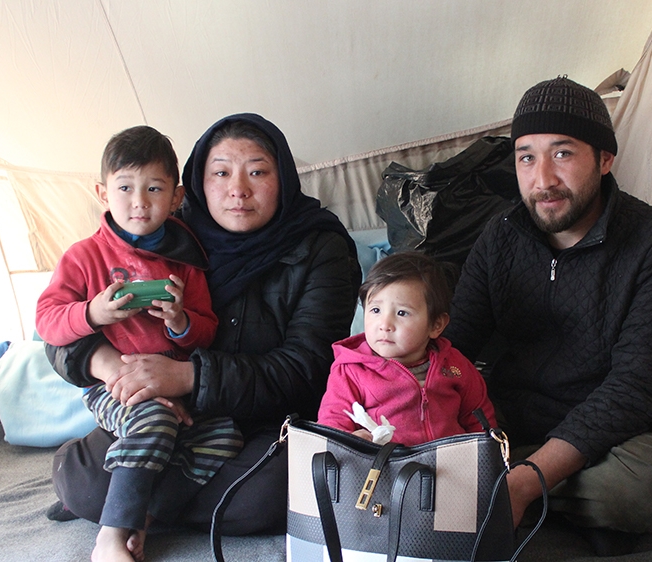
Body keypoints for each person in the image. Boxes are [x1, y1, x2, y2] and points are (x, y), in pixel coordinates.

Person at [44, 114, 361, 548]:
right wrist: (117, 369)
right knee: (90, 480)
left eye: (257, 171)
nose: (238, 189)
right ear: (194, 184)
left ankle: (141, 508)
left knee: (266, 496)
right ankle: (139, 500)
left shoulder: (320, 246)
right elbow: (58, 327)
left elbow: (306, 368)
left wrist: (187, 377)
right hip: (155, 409)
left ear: (284, 178)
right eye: (221, 172)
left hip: (258, 423)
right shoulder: (163, 230)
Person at [444, 76, 652, 556]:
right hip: (514, 426)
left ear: (605, 159)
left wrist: (526, 481)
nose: (542, 179)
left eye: (562, 153)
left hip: (618, 439)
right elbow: (455, 346)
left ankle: (512, 495)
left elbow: (640, 386)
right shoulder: (499, 237)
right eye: (526, 157)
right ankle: (560, 512)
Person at [36, 125, 244, 562]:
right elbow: (47, 321)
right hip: (115, 386)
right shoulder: (84, 256)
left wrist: (179, 320)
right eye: (125, 187)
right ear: (102, 192)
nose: (139, 202)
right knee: (154, 421)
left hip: (175, 383)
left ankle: (145, 513)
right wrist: (93, 313)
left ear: (177, 197)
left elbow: (207, 330)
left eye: (154, 188)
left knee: (225, 436)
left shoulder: (186, 259)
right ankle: (110, 536)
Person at [317, 251, 496, 446]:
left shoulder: (455, 365)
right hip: (384, 469)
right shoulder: (351, 370)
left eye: (402, 313)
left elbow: (479, 419)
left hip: (448, 466)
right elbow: (332, 423)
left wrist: (486, 453)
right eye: (375, 310)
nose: (384, 324)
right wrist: (348, 442)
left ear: (436, 325)